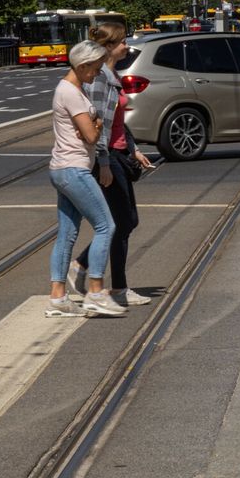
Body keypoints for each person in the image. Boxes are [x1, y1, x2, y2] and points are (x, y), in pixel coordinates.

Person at [68, 23, 155, 307]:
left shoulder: (111, 73)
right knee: (122, 221)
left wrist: (134, 148)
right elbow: (99, 126)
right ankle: (115, 287)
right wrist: (104, 163)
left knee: (126, 221)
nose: (127, 47)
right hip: (108, 157)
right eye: (122, 42)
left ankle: (84, 265)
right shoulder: (101, 78)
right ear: (108, 47)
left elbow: (118, 122)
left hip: (119, 152)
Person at [46, 40, 127, 318]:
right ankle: (95, 291)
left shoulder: (72, 89)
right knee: (106, 225)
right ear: (81, 66)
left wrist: (89, 128)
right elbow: (92, 136)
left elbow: (86, 133)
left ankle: (58, 297)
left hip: (63, 168)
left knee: (67, 233)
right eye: (93, 68)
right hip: (74, 169)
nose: (96, 74)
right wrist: (96, 124)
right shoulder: (70, 92)